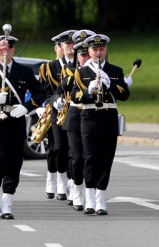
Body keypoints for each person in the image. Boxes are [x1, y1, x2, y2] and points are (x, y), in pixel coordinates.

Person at [0, 33, 45, 219]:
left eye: (7, 48)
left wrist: (26, 107)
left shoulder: (23, 71)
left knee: (14, 162)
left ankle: (7, 202)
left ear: (13, 50)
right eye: (0, 48)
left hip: (16, 120)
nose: (3, 51)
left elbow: (40, 94)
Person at [70, 34, 130, 215]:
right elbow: (74, 96)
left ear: (106, 51)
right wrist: (88, 92)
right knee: (89, 158)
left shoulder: (115, 70)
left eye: (101, 49)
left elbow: (124, 95)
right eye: (95, 50)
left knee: (106, 159)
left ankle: (101, 198)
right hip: (88, 118)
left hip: (108, 118)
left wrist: (109, 83)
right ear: (88, 51)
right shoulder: (81, 72)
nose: (98, 53)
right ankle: (89, 199)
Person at [39, 30, 75, 201]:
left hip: (75, 112)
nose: (71, 47)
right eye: (68, 44)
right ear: (60, 47)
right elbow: (44, 92)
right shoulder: (49, 67)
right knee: (57, 148)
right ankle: (54, 179)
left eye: (73, 44)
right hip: (56, 113)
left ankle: (67, 182)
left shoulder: (80, 65)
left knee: (72, 150)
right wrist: (53, 101)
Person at [59, 30, 93, 210]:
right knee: (77, 157)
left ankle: (90, 192)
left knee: (90, 157)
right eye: (82, 54)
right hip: (75, 117)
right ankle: (76, 189)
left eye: (88, 53)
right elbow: (62, 87)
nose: (85, 57)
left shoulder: (99, 71)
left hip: (93, 117)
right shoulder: (72, 71)